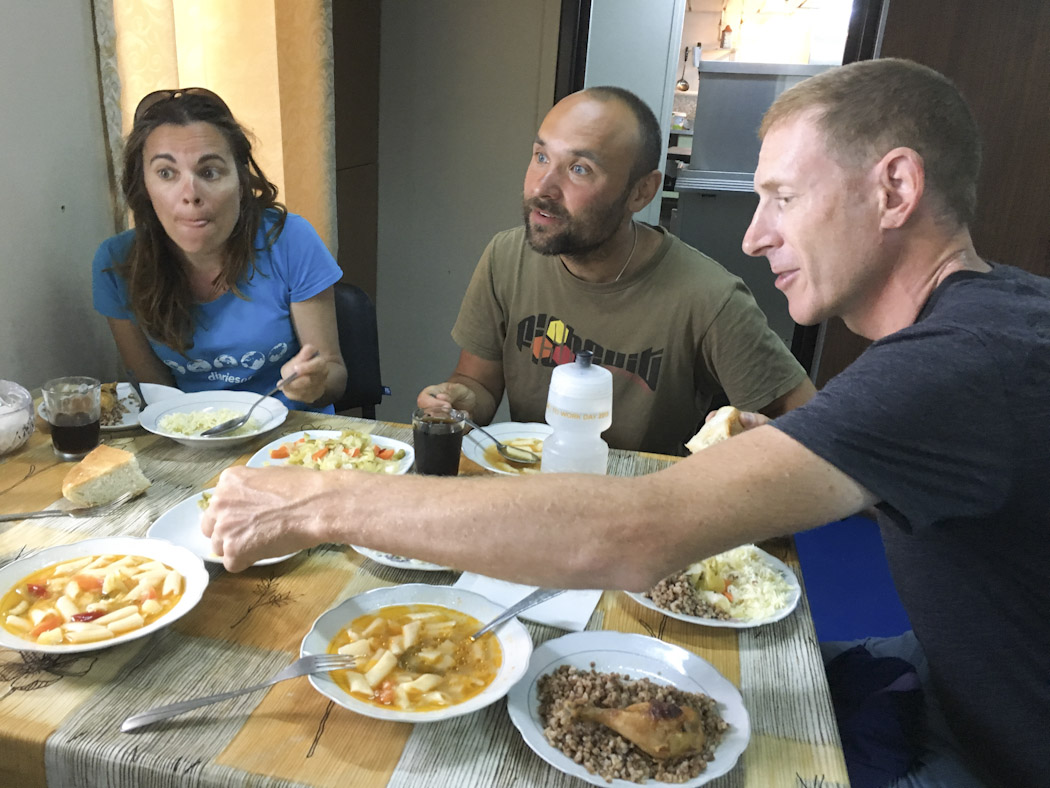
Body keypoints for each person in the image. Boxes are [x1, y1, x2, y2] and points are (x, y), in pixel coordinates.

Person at [202, 59, 1049, 787]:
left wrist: (312, 502)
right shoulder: (984, 331)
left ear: (895, 188)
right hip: (949, 678)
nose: (754, 237)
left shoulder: (961, 365)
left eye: (783, 197)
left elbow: (636, 533)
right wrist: (785, 459)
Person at [417, 86, 814, 455]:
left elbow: (812, 428)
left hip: (648, 507)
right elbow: (479, 383)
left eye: (580, 169)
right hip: (532, 490)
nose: (543, 188)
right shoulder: (506, 258)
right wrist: (460, 400)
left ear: (641, 191)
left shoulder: (710, 298)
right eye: (541, 157)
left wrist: (751, 438)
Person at [92, 88, 347, 411]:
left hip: (294, 440)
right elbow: (155, 394)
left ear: (240, 181)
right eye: (166, 173)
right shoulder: (116, 264)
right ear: (143, 187)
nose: (191, 194)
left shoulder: (289, 238)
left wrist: (314, 384)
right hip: (191, 442)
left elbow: (335, 375)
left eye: (209, 172)